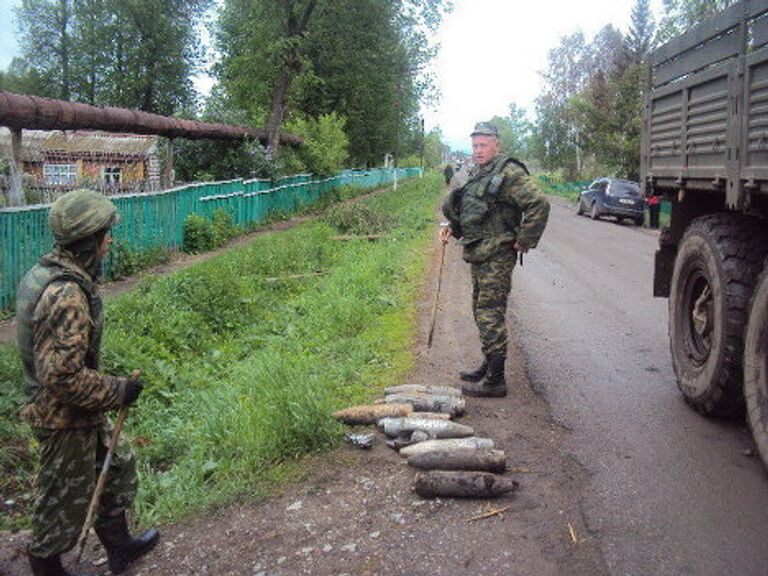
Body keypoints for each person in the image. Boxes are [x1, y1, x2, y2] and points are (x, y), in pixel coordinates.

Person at [16, 189, 159, 576]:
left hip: (81, 410)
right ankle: (49, 570)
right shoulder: (66, 294)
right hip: (62, 417)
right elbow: (61, 376)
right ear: (88, 241)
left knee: (114, 469)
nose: (110, 241)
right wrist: (117, 391)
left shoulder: (48, 273)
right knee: (60, 503)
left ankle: (120, 547)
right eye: (105, 234)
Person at [440, 122, 550, 397]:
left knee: (490, 312)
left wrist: (524, 240)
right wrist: (452, 227)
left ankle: (496, 381)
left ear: (496, 145)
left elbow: (539, 204)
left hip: (498, 254)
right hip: (480, 251)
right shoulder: (481, 172)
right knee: (481, 310)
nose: (477, 151)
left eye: (483, 145)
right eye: (474, 145)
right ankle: (489, 365)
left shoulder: (509, 172)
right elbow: (477, 211)